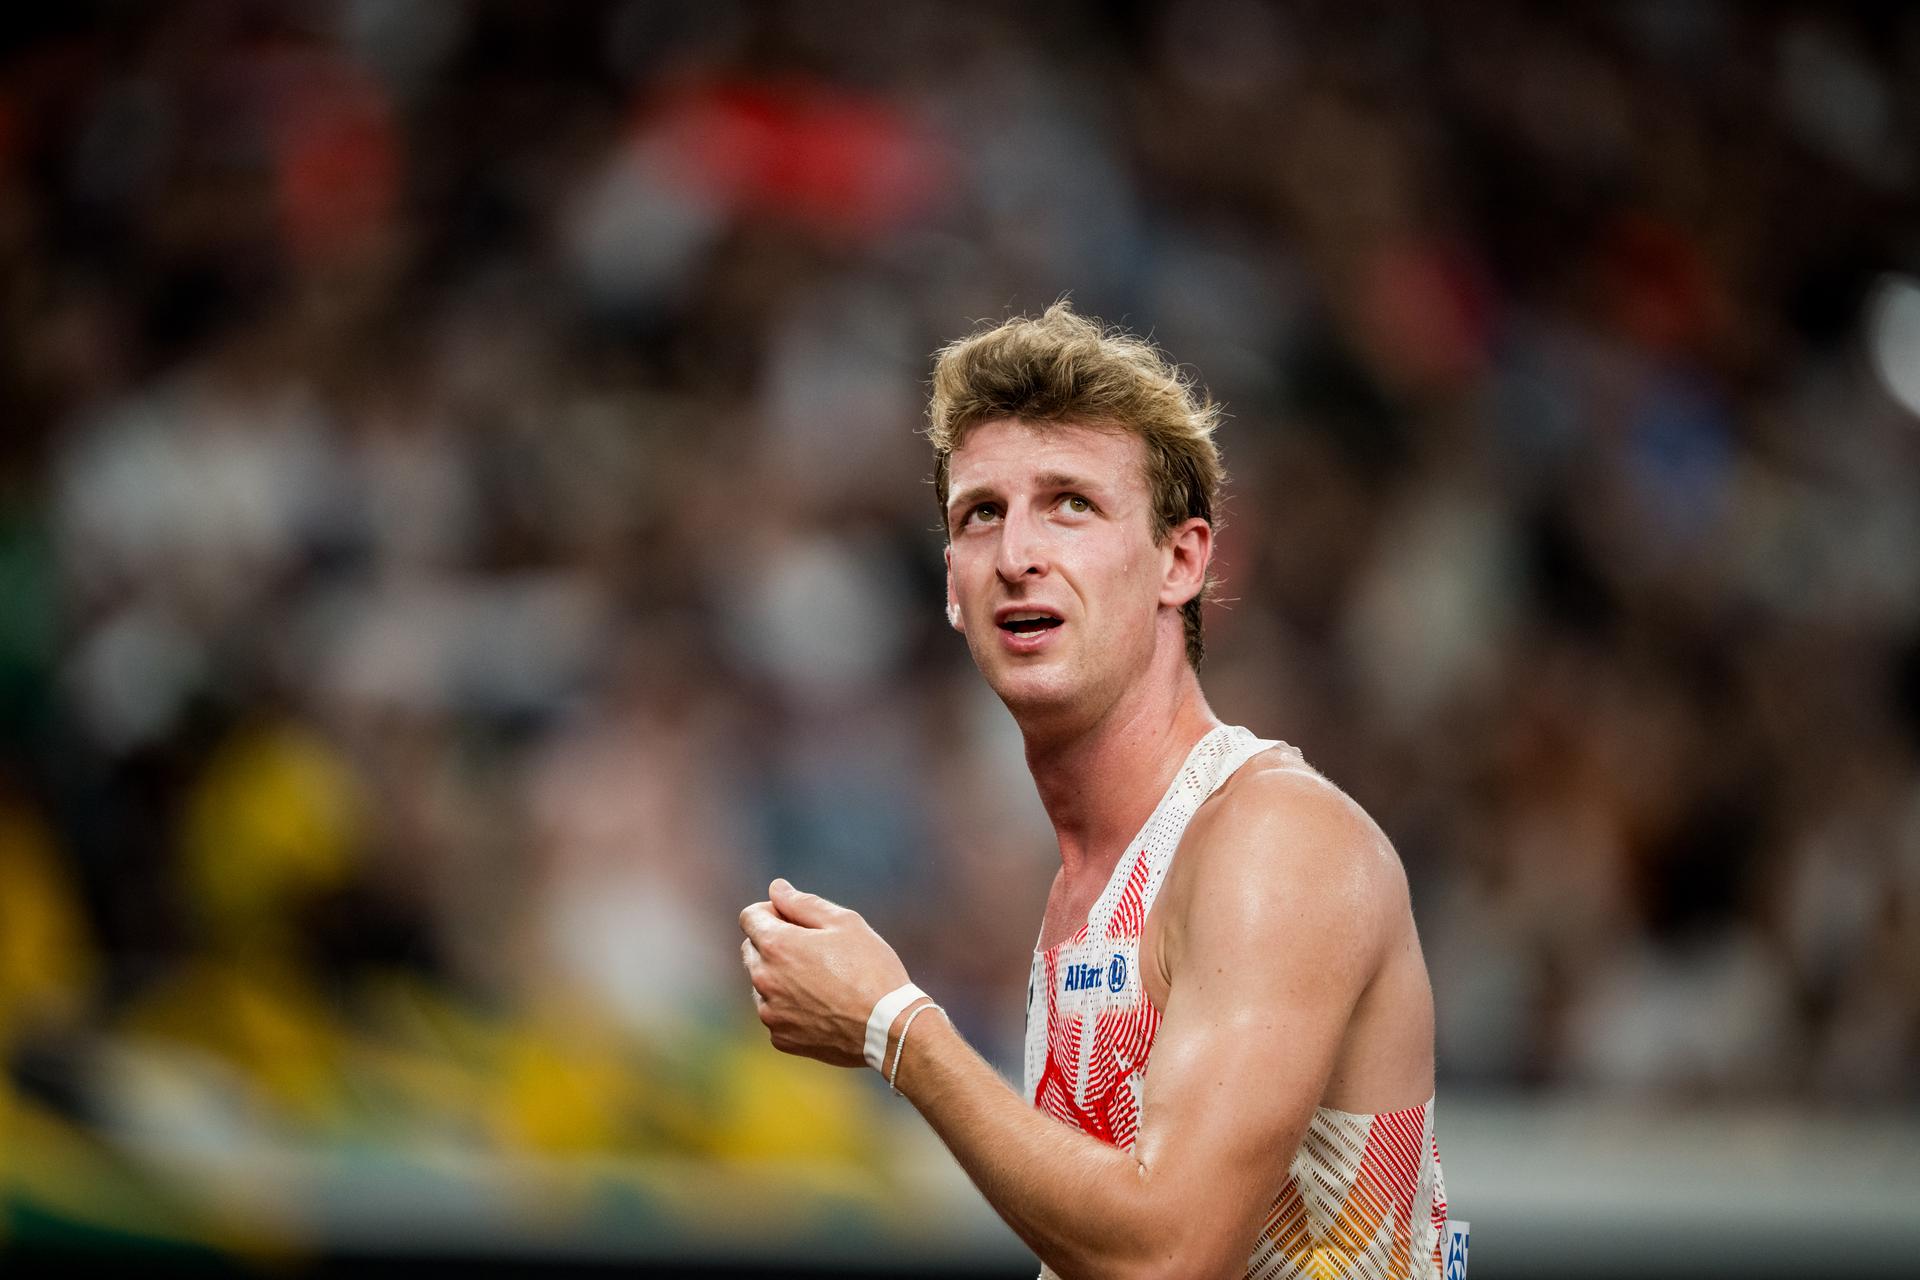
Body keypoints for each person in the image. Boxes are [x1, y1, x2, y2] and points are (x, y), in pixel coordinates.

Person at [739, 302, 1453, 1279]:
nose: (1017, 552)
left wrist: (895, 1025)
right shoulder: (1090, 883)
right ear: (952, 585)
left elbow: (1166, 1254)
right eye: (981, 512)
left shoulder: (1273, 837)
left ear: (1182, 559)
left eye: (1071, 502)